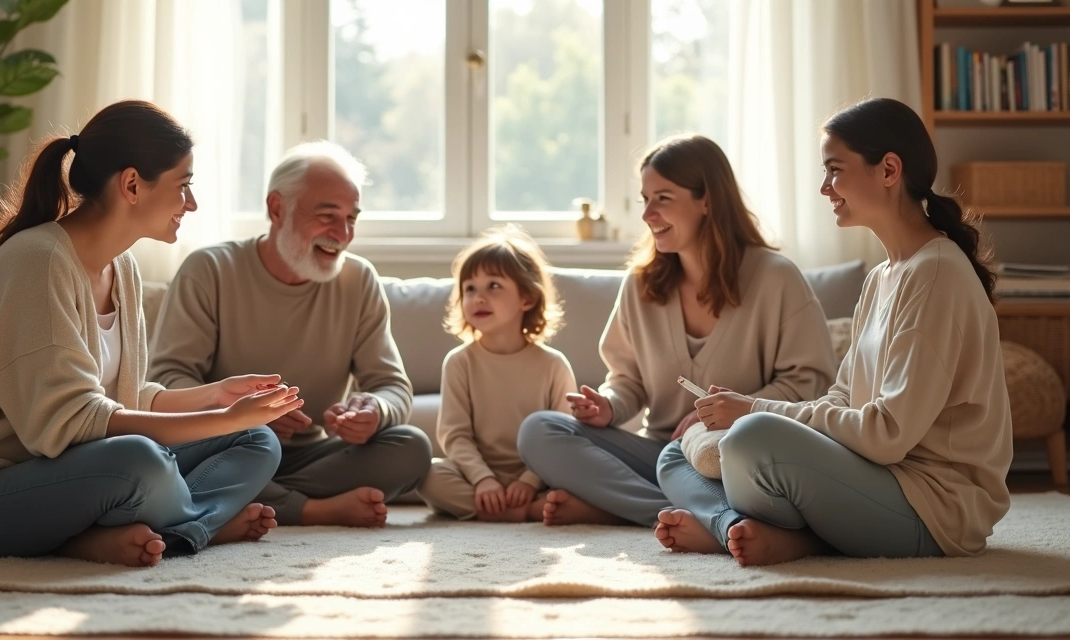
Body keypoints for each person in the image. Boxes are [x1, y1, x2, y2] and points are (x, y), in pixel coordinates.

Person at [0, 101, 297, 568]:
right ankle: (190, 526)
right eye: (183, 186)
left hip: (59, 474)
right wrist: (221, 418)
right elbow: (72, 422)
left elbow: (121, 397)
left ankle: (174, 526)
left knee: (256, 439)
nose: (191, 204)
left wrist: (221, 400)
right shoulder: (39, 261)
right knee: (140, 462)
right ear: (131, 185)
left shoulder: (121, 268)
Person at [655, 97, 1012, 565]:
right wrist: (748, 408)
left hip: (932, 504)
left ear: (888, 170)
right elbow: (842, 400)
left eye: (834, 169)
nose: (825, 187)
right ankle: (736, 529)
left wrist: (757, 410)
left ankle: (777, 535)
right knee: (677, 454)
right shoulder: (884, 276)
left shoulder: (937, 273)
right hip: (874, 478)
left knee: (749, 437)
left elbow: (887, 435)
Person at [518, 134, 837, 527]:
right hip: (663, 454)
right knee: (540, 430)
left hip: (734, 457)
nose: (648, 214)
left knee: (749, 476)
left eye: (663, 198)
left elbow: (811, 384)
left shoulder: (776, 278)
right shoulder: (640, 286)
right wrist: (609, 406)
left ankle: (626, 507)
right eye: (645, 199)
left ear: (708, 200)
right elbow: (627, 381)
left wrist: (727, 413)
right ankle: (697, 514)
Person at [148, 141, 432, 529]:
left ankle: (242, 496)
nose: (343, 233)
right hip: (226, 445)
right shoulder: (209, 270)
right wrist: (242, 415)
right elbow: (165, 381)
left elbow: (392, 386)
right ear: (277, 208)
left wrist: (374, 411)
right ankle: (310, 509)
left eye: (352, 218)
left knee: (411, 447)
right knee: (161, 453)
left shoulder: (359, 280)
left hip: (311, 454)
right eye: (328, 215)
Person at [417, 225, 577, 522]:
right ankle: (524, 513)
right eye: (470, 289)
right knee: (430, 475)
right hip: (475, 474)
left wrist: (529, 481)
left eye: (493, 286)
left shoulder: (553, 364)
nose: (478, 298)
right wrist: (482, 479)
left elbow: (562, 436)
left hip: (538, 475)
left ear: (527, 299)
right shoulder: (459, 362)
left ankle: (521, 506)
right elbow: (455, 436)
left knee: (582, 471)